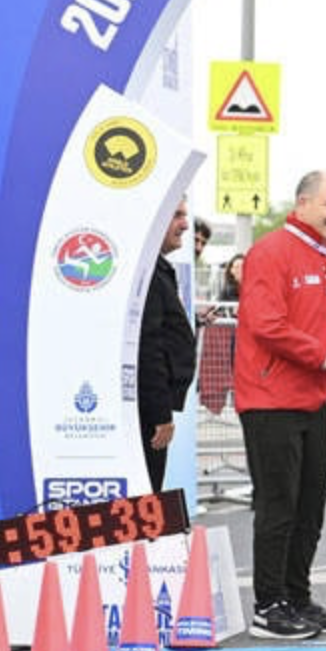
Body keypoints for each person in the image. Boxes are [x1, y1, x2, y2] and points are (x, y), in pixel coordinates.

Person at [235, 171, 326, 640]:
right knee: (278, 505)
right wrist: (322, 355)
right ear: (303, 203)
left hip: (313, 400)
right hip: (269, 399)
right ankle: (268, 605)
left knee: (310, 507)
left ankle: (297, 597)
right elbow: (264, 323)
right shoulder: (270, 252)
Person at [136, 198, 199, 496]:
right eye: (177, 215)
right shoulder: (146, 272)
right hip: (146, 413)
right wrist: (160, 412)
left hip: (149, 409)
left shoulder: (156, 268)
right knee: (145, 493)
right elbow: (149, 347)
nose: (185, 224)